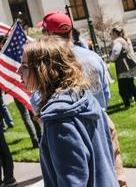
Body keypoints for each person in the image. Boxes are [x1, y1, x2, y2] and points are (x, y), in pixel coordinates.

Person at [38, 11, 127, 186]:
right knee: (113, 176)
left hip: (70, 128)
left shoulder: (51, 63)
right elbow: (105, 92)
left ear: (49, 34)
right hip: (101, 121)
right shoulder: (93, 57)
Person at [18, 36, 118, 186]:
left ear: (44, 70)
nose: (18, 70)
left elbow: (73, 181)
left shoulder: (59, 119)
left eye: (25, 66)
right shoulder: (85, 97)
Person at [108, 27, 136, 109]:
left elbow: (116, 53)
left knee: (122, 88)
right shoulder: (122, 39)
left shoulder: (117, 41)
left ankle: (127, 104)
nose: (110, 36)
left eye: (111, 34)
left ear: (115, 34)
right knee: (130, 84)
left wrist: (110, 59)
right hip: (129, 65)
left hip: (123, 66)